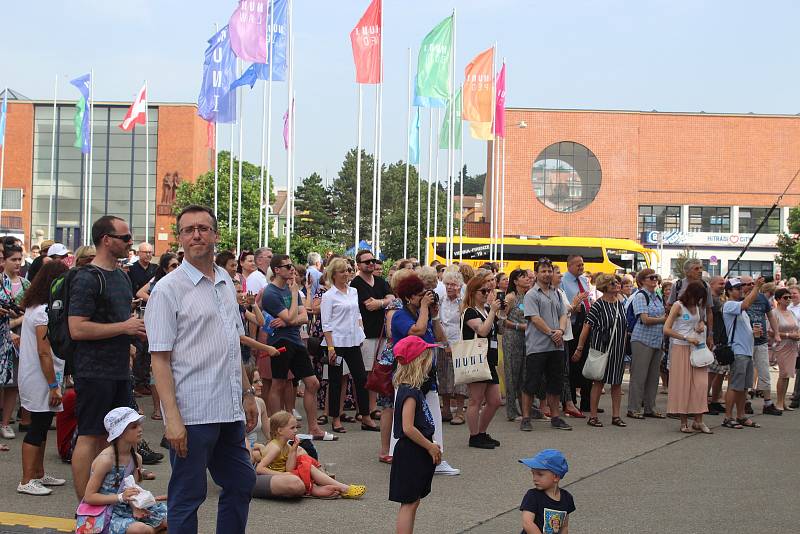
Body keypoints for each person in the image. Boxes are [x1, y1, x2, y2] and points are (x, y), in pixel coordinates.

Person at [146, 205, 258, 533]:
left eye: (203, 228)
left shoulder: (224, 280)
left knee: (241, 482)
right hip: (192, 414)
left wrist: (248, 392)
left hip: (228, 409)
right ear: (179, 238)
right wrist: (173, 420)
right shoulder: (168, 290)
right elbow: (159, 360)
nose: (196, 235)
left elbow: (230, 341)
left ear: (215, 235)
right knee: (187, 496)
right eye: (188, 230)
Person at [68, 216, 145, 500]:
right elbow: (77, 328)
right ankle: (85, 506)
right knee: (90, 435)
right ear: (106, 240)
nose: (130, 242)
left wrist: (130, 339)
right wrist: (124, 328)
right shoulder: (87, 277)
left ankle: (110, 498)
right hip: (93, 369)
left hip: (118, 368)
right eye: (125, 238)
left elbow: (120, 320)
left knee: (117, 436)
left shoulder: (122, 276)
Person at [261, 254, 330, 440]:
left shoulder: (290, 290)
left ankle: (314, 428)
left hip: (295, 340)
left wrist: (286, 321)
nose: (292, 269)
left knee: (312, 383)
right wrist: (292, 304)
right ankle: (277, 431)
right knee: (278, 384)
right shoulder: (271, 293)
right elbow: (293, 317)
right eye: (288, 266)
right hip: (280, 343)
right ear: (277, 270)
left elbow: (303, 317)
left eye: (292, 266)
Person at [17, 261, 70, 495]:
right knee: (37, 427)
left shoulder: (38, 307)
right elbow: (43, 351)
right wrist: (53, 385)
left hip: (43, 376)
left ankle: (38, 473)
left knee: (43, 424)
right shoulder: (42, 312)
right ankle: (27, 478)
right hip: (41, 378)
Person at [81, 407, 168, 533]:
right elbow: (89, 497)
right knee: (142, 530)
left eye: (139, 425)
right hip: (105, 511)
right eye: (133, 427)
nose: (140, 429)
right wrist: (121, 497)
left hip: (126, 506)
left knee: (173, 519)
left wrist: (136, 507)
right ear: (119, 432)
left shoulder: (136, 458)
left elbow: (131, 489)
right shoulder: (105, 460)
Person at [390, 336, 441, 534]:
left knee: (414, 501)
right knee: (409, 503)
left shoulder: (413, 389)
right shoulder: (409, 392)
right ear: (420, 363)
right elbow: (408, 427)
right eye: (428, 360)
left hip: (417, 450)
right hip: (412, 451)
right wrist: (429, 446)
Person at [320, 258, 377, 433]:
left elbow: (358, 313)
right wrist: (330, 348)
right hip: (336, 343)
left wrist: (360, 332)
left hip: (353, 341)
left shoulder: (353, 291)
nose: (346, 274)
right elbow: (326, 324)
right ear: (334, 274)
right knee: (336, 381)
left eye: (347, 270)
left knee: (361, 378)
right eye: (342, 271)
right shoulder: (329, 296)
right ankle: (336, 419)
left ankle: (366, 416)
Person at [522, 258, 571, 432]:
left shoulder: (557, 293)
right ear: (536, 274)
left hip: (556, 346)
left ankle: (555, 417)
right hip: (537, 346)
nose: (547, 274)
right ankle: (526, 418)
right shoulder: (531, 295)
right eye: (543, 271)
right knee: (531, 383)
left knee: (555, 383)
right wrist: (552, 333)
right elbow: (534, 319)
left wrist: (561, 331)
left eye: (549, 270)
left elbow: (563, 314)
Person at [572, 273, 628, 428]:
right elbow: (587, 326)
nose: (617, 285)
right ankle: (593, 416)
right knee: (598, 381)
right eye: (613, 283)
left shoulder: (619, 304)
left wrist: (623, 346)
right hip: (601, 348)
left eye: (617, 283)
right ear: (605, 287)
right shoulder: (598, 305)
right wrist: (580, 348)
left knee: (617, 383)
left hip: (617, 349)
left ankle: (616, 416)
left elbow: (623, 327)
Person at [350, 249, 395, 420]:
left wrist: (381, 302)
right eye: (366, 262)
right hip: (365, 333)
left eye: (372, 261)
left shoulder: (381, 281)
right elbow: (369, 305)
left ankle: (373, 406)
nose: (371, 264)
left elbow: (393, 299)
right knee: (365, 373)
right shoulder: (356, 284)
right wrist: (384, 302)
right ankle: (363, 408)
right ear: (359, 265)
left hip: (382, 333)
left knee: (378, 371)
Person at [663, 281, 711, 433]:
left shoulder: (697, 307)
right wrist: (685, 337)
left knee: (701, 384)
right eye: (697, 297)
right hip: (681, 348)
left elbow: (699, 321)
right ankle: (684, 421)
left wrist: (701, 325)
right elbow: (667, 329)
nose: (698, 301)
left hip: (696, 348)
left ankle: (699, 419)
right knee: (683, 385)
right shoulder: (678, 305)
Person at [461, 275, 505, 445]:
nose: (487, 294)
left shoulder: (486, 310)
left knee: (495, 401)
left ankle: (481, 431)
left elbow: (498, 330)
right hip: (477, 359)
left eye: (489, 290)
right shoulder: (470, 311)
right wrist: (493, 311)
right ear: (473, 292)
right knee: (476, 400)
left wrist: (498, 313)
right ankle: (474, 436)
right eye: (484, 291)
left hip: (489, 359)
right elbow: (483, 331)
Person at [721, 277, 763, 429]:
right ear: (729, 291)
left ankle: (740, 415)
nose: (741, 290)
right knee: (734, 385)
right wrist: (756, 287)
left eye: (741, 288)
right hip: (738, 351)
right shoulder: (730, 305)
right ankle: (727, 417)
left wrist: (754, 333)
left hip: (747, 351)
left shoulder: (740, 308)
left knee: (744, 387)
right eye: (738, 288)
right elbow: (746, 304)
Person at [739, 275, 782, 415]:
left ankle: (768, 403)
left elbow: (770, 316)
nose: (751, 286)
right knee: (747, 373)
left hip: (761, 340)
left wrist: (776, 333)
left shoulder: (762, 298)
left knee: (764, 372)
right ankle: (745, 402)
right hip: (745, 342)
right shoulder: (739, 299)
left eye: (752, 283)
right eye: (747, 284)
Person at [627, 268, 667, 419]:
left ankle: (650, 407)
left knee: (653, 377)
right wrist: (663, 319)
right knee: (639, 375)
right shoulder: (640, 296)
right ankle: (634, 408)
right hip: (642, 339)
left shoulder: (657, 296)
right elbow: (644, 319)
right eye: (651, 277)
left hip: (656, 340)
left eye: (656, 277)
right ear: (642, 280)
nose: (655, 279)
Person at [560, 255, 594, 413]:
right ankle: (570, 401)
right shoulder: (563, 281)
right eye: (578, 265)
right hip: (571, 326)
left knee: (587, 363)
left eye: (582, 264)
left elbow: (588, 299)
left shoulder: (583, 280)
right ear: (569, 265)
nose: (581, 267)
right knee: (572, 365)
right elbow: (562, 304)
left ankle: (587, 402)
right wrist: (574, 306)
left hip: (586, 324)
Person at [518, 449, 575, 534]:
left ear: (556, 477)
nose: (535, 478)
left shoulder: (567, 498)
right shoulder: (533, 495)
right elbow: (527, 523)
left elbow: (564, 526)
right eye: (533, 473)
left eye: (540, 474)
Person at [1, 245, 25, 440]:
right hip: (4, 337)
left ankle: (5, 423)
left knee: (13, 383)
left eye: (19, 259)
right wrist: (15, 324)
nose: (17, 263)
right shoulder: (2, 283)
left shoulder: (26, 284)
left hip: (20, 341)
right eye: (13, 259)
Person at [438, 270, 468, 425]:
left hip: (459, 342)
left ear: (459, 286)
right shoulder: (440, 301)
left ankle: (461, 411)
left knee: (459, 378)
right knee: (443, 375)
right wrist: (444, 343)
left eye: (453, 284)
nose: (449, 287)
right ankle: (446, 409)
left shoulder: (463, 302)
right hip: (442, 343)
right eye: (447, 284)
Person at [501, 269, 531, 422]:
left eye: (527, 276)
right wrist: (519, 326)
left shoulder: (527, 296)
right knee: (512, 374)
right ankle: (511, 411)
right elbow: (501, 320)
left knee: (524, 375)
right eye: (523, 277)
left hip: (526, 340)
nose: (527, 279)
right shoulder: (510, 297)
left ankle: (526, 407)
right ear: (515, 281)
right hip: (512, 338)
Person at [667, 259, 714, 350]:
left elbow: (709, 311)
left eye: (701, 268)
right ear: (687, 272)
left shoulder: (705, 286)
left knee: (698, 360)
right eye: (696, 269)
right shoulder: (678, 285)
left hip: (699, 330)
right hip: (681, 331)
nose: (700, 271)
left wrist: (710, 334)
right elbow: (669, 306)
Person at [768, 287, 799, 411]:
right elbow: (770, 331)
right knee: (783, 374)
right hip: (781, 346)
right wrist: (788, 335)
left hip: (792, 346)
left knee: (787, 375)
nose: (788, 300)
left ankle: (783, 402)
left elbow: (796, 326)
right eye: (785, 297)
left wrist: (797, 335)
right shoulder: (774, 313)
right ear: (778, 300)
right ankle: (779, 402)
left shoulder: (791, 312)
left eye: (789, 297)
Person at [707, 275, 728, 415]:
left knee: (720, 372)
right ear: (712, 284)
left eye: (724, 284)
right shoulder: (712, 301)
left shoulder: (720, 300)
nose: (723, 286)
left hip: (722, 340)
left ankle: (715, 400)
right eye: (720, 283)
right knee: (711, 373)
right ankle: (703, 402)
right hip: (713, 340)